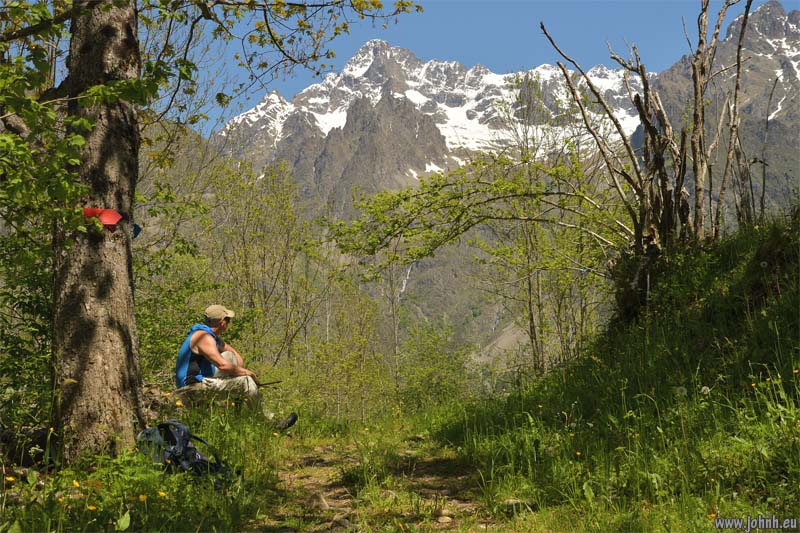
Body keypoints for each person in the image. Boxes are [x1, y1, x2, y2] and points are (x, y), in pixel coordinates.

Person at [175, 304, 297, 430]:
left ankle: (237, 413)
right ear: (222, 322)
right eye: (228, 320)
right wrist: (248, 373)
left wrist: (238, 371)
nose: (229, 323)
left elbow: (234, 356)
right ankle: (268, 423)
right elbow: (223, 365)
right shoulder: (203, 337)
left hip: (200, 382)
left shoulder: (210, 336)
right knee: (246, 382)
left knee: (228, 357)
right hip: (191, 388)